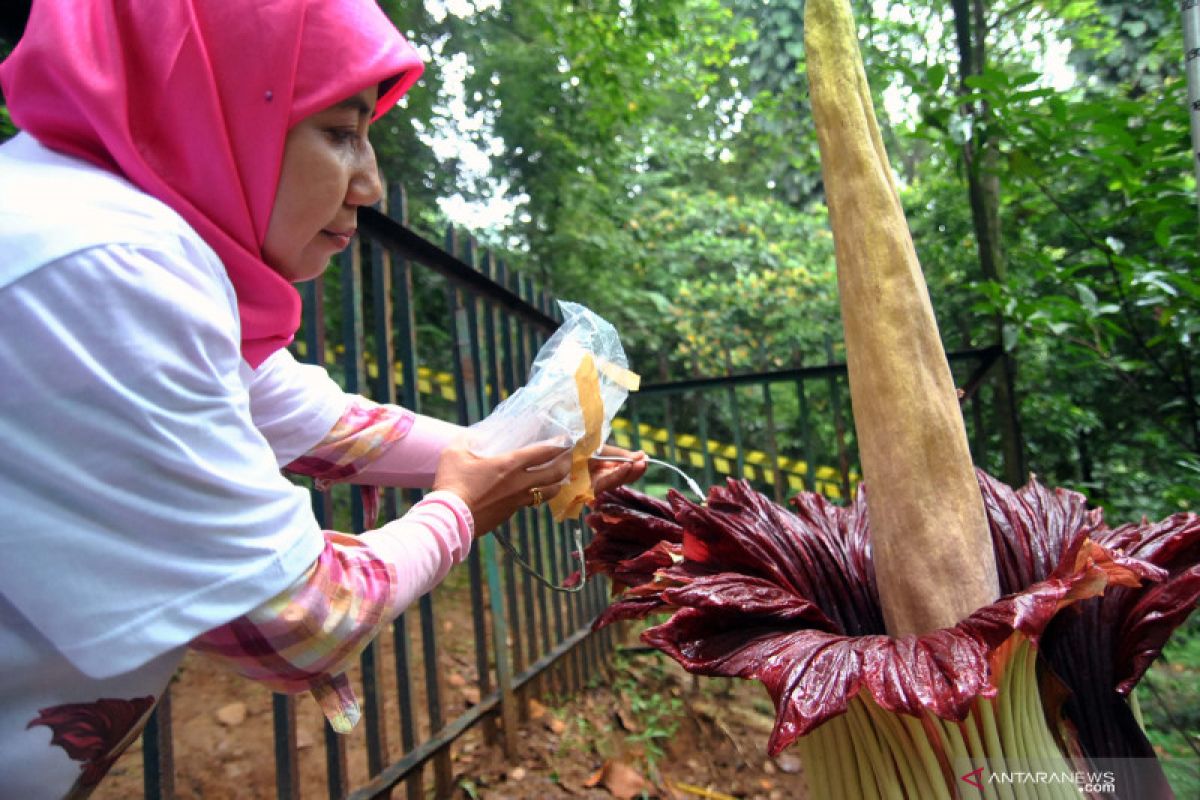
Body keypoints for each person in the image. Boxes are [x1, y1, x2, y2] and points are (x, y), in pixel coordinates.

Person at [0, 1, 647, 795]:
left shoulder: (118, 236)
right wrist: (463, 510)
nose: (371, 183)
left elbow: (309, 420)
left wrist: (516, 453)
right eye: (341, 134)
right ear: (216, 107)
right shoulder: (109, 267)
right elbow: (303, 618)